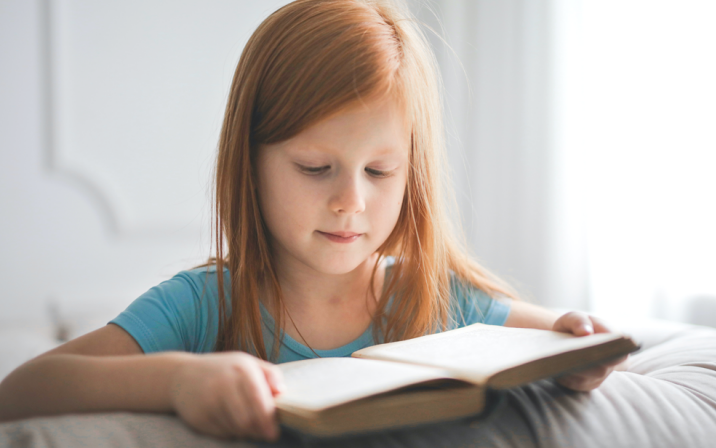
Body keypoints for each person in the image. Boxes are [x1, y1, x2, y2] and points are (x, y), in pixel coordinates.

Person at [0, 0, 626, 442]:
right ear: (251, 161)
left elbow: (557, 335)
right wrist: (179, 381)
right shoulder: (202, 305)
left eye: (380, 172)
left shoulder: (426, 294)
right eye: (314, 167)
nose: (350, 201)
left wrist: (577, 343)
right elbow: (22, 391)